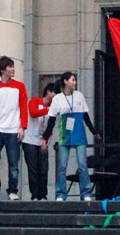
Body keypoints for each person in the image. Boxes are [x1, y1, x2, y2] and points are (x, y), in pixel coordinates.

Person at [42, 71, 100, 202]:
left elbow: (86, 116)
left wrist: (94, 131)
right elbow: (51, 120)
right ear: (65, 81)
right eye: (73, 80)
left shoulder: (79, 96)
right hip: (65, 134)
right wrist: (45, 137)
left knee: (82, 164)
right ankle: (61, 194)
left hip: (79, 132)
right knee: (62, 166)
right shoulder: (57, 99)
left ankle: (85, 193)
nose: (75, 82)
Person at [0, 55, 28, 200]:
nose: (13, 69)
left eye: (13, 66)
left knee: (13, 163)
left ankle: (12, 191)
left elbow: (23, 107)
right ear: (2, 70)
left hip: (14, 130)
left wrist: (23, 127)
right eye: (10, 67)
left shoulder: (20, 86)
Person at [23, 82, 56, 200]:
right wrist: (47, 109)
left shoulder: (53, 109)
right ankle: (35, 195)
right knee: (33, 169)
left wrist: (45, 140)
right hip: (29, 139)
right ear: (48, 92)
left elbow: (50, 127)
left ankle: (43, 194)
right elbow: (33, 113)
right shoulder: (35, 101)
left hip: (42, 140)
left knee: (44, 169)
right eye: (54, 93)